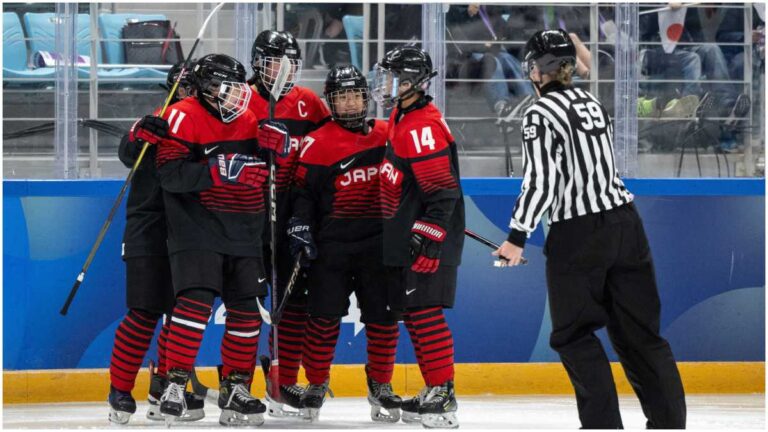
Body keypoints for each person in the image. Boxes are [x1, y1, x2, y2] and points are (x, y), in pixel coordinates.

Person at [492, 29, 687, 429]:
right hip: (626, 225)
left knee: (573, 335)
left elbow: (541, 182)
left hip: (579, 236)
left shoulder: (539, 113)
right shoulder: (591, 101)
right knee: (641, 337)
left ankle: (602, 426)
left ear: (537, 70)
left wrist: (516, 237)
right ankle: (669, 424)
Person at [152, 53, 286, 426]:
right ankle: (174, 384)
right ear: (209, 88)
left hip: (244, 230)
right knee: (193, 307)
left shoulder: (249, 118)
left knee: (246, 315)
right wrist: (216, 170)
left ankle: (235, 386)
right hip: (197, 230)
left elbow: (267, 169)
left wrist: (278, 149)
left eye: (239, 87)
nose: (238, 95)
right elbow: (170, 175)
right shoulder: (183, 114)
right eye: (228, 87)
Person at [289, 65, 402, 423]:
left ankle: (380, 383)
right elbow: (302, 194)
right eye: (342, 97)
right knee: (322, 320)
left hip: (379, 245)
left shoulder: (389, 134)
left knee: (384, 321)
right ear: (331, 102)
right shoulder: (316, 142)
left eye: (356, 95)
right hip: (332, 247)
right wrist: (300, 226)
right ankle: (317, 382)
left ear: (367, 98)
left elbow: (408, 180)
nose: (351, 103)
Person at [372, 45, 465, 429]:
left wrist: (430, 236)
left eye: (392, 77)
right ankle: (434, 389)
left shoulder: (422, 126)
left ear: (412, 82)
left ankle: (442, 391)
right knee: (414, 315)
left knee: (425, 314)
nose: (384, 84)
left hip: (425, 242)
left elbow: (443, 193)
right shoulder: (402, 115)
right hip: (409, 235)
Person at [107, 61, 204, 425]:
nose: (190, 94)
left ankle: (164, 383)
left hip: (193, 233)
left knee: (182, 314)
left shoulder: (207, 125)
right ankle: (119, 389)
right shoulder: (153, 121)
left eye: (196, 87)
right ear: (171, 89)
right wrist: (139, 134)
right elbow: (127, 151)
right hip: (148, 229)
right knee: (145, 311)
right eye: (184, 87)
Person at [246, 29, 332, 418]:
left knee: (293, 300)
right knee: (243, 302)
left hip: (292, 214)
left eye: (291, 63)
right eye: (276, 61)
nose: (284, 70)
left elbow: (331, 144)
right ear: (258, 63)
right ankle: (236, 381)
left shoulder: (309, 103)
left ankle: (284, 378)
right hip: (247, 214)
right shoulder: (242, 97)